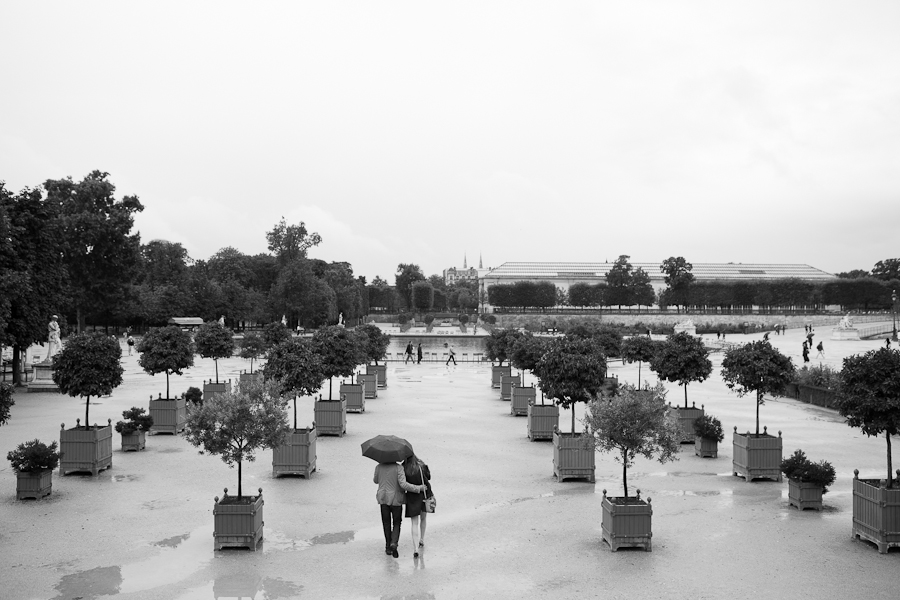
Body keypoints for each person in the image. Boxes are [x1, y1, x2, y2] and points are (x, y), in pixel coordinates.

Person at [374, 461, 421, 558]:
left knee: (386, 523)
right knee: (396, 522)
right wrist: (418, 488)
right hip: (396, 499)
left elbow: (375, 480)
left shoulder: (379, 467)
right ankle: (394, 543)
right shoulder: (398, 468)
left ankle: (387, 547)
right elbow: (403, 484)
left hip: (383, 498)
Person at [400, 452, 432, 558]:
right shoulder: (421, 465)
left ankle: (415, 548)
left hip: (412, 497)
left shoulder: (403, 468)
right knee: (423, 519)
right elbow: (429, 477)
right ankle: (422, 539)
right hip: (424, 495)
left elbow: (402, 484)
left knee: (414, 523)